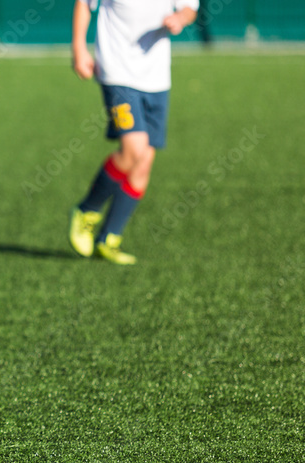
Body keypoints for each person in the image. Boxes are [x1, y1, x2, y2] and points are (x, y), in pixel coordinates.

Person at [69, 0, 198, 265]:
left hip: (157, 78)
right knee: (134, 150)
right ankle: (87, 209)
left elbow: (190, 8)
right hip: (117, 73)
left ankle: (109, 238)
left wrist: (180, 19)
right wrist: (79, 49)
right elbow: (83, 3)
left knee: (144, 161)